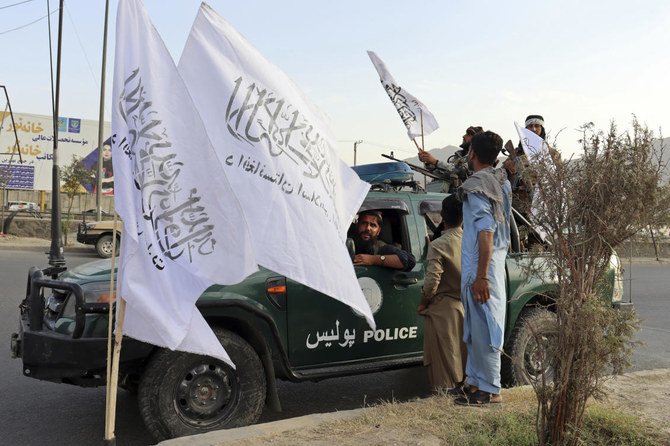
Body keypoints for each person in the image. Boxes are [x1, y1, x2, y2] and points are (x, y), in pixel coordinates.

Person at [454, 130, 512, 406]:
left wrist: (480, 277)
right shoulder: (501, 181)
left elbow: (486, 231)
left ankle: (490, 390)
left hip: (483, 267)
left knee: (487, 327)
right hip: (491, 264)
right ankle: (475, 383)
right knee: (476, 327)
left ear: (472, 154)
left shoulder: (478, 185)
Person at [418, 195, 466, 391]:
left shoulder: (438, 244)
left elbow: (431, 283)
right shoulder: (471, 240)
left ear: (443, 216)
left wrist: (423, 302)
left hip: (443, 310)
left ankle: (445, 397)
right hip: (464, 307)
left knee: (443, 362)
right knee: (462, 357)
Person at [503, 115, 545, 217]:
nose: (533, 129)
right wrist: (507, 165)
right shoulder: (516, 153)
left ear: (542, 129)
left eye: (537, 126)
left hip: (541, 208)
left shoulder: (551, 154)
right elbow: (503, 176)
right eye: (530, 126)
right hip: (518, 208)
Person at [418, 125, 483, 169]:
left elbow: (460, 171)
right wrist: (428, 161)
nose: (463, 136)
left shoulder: (476, 157)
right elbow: (444, 172)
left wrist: (435, 162)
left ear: (476, 139)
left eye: (468, 134)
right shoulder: (458, 157)